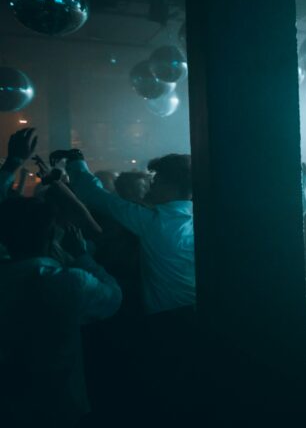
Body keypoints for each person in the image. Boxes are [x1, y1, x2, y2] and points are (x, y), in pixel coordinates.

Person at [57, 148, 195, 425]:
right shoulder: (201, 218)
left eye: (158, 180)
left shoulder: (157, 222)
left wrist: (76, 162)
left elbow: (99, 198)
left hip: (167, 321)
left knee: (168, 394)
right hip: (199, 315)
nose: (152, 185)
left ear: (173, 185)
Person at [0, 191, 122, 427]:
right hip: (58, 394)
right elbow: (113, 299)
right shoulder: (68, 282)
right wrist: (82, 257)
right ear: (51, 233)